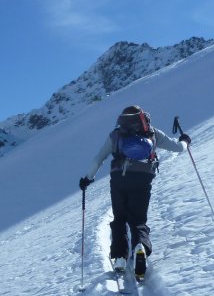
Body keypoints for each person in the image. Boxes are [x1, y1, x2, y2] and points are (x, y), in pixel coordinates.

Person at [79, 105, 191, 279]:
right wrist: (185, 140)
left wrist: (87, 178)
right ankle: (140, 247)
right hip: (143, 177)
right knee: (138, 220)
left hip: (119, 179)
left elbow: (98, 159)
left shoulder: (116, 135)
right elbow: (178, 148)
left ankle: (120, 258)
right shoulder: (152, 133)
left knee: (120, 218)